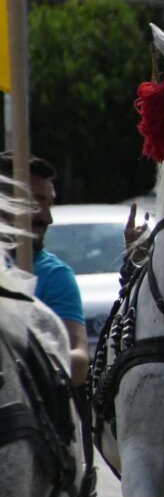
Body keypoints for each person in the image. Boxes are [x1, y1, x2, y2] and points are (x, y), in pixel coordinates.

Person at [0, 153, 89, 386]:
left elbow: (79, 363)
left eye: (49, 203)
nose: (47, 217)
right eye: (35, 202)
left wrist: (29, 362)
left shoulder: (54, 275)